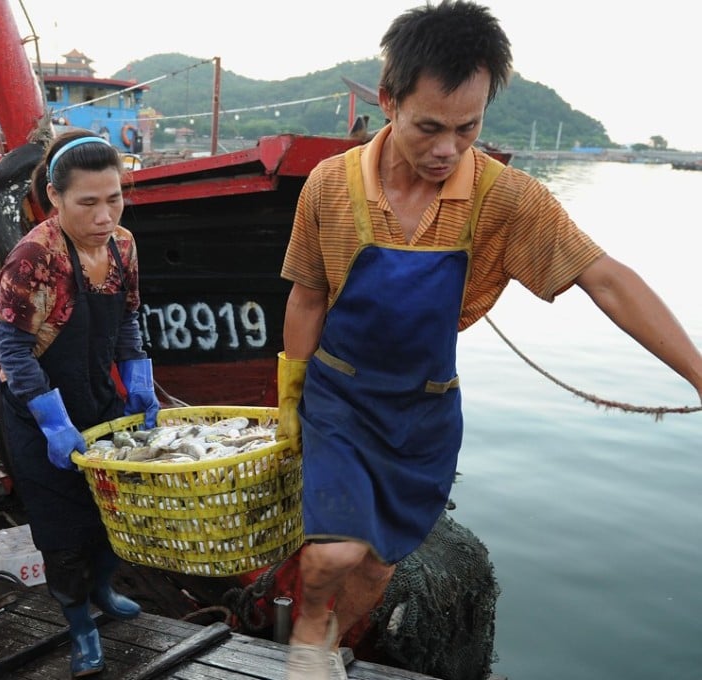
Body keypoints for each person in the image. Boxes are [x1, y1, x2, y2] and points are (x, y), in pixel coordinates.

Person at [276, 2, 702, 678]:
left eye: (468, 127)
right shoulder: (329, 186)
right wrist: (289, 398)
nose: (448, 148)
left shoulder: (507, 201)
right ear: (388, 100)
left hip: (424, 414)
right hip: (340, 397)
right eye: (429, 127)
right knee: (332, 553)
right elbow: (307, 294)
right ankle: (306, 626)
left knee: (379, 567)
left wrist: (700, 374)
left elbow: (608, 279)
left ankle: (331, 634)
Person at [0, 131, 159, 677]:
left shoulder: (124, 246)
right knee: (61, 533)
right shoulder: (33, 257)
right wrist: (53, 423)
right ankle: (80, 625)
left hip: (98, 399)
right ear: (55, 199)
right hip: (39, 413)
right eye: (88, 202)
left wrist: (139, 380)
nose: (105, 215)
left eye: (114, 198)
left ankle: (106, 590)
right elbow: (12, 349)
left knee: (112, 514)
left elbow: (129, 319)